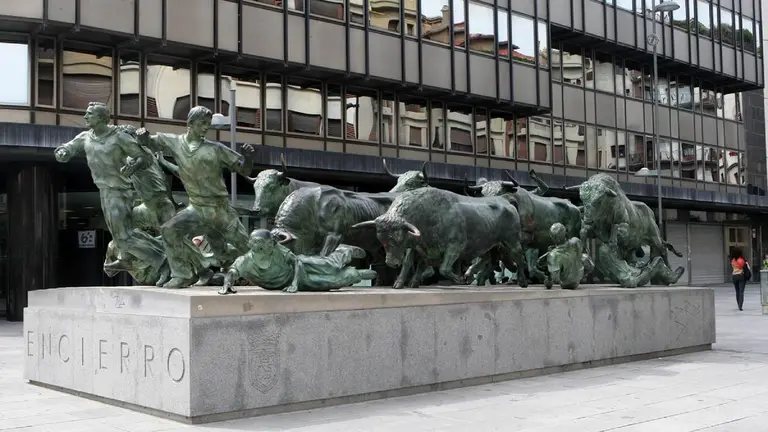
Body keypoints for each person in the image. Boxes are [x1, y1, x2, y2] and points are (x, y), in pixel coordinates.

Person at [136, 106, 256, 288]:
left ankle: (269, 274)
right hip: (197, 209)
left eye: (208, 124)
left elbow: (244, 169)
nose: (206, 127)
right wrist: (142, 136)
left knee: (245, 247)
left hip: (220, 210)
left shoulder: (215, 149)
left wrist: (248, 158)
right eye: (202, 124)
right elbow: (150, 142)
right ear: (190, 124)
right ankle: (182, 275)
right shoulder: (175, 142)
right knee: (169, 230)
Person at [730, 247, 748, 311]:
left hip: (734, 276)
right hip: (741, 276)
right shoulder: (741, 260)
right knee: (741, 291)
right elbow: (744, 267)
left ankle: (738, 304)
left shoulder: (733, 260)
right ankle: (740, 306)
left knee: (737, 291)